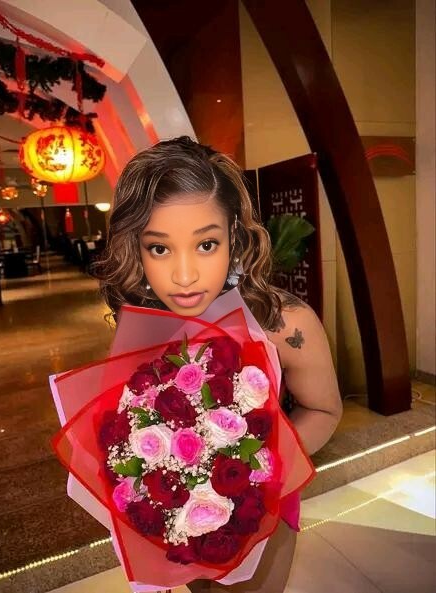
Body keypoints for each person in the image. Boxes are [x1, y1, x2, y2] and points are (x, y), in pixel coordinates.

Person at [95, 136, 342, 593]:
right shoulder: (144, 331)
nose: (184, 275)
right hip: (182, 520)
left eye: (206, 244)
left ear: (235, 235)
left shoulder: (284, 323)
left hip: (261, 508)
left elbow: (325, 410)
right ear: (136, 248)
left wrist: (252, 474)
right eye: (160, 249)